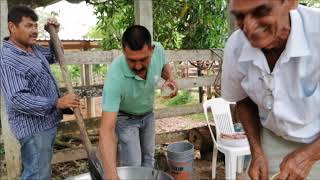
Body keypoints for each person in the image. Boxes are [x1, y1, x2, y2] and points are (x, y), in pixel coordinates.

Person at [221, 0, 320, 179]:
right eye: (240, 16)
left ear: (290, 3)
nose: (249, 28)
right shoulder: (235, 46)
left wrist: (309, 156)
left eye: (262, 11)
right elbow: (243, 100)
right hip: (271, 137)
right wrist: (257, 152)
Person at [0, 6, 80, 180]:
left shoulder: (32, 48)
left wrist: (54, 34)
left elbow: (55, 55)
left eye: (36, 26)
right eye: (29, 26)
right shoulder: (8, 59)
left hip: (46, 123)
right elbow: (17, 99)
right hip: (33, 128)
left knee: (38, 171)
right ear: (12, 27)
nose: (34, 31)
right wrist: (57, 103)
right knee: (37, 174)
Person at [99, 25, 177, 179]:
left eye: (143, 59)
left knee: (149, 159)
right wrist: (111, 174)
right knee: (133, 164)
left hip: (148, 114)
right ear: (123, 51)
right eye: (132, 60)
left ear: (151, 49)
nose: (138, 66)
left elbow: (163, 65)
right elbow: (106, 130)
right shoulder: (115, 76)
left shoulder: (159, 49)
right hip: (125, 118)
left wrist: (170, 79)